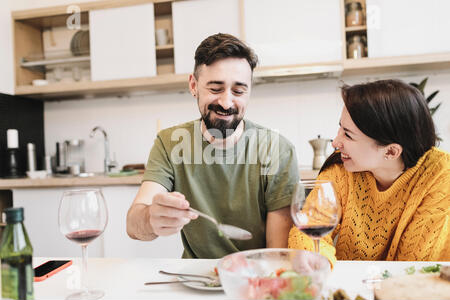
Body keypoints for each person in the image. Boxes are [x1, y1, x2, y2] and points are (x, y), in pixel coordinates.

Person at [126, 33, 299, 259]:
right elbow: (133, 225)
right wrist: (151, 218)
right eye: (215, 89)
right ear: (193, 85)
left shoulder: (277, 149)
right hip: (194, 280)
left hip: (254, 279)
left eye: (238, 91)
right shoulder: (170, 143)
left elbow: (278, 255)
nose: (226, 102)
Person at [289, 79, 450, 265]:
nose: (335, 142)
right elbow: (306, 231)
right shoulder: (341, 169)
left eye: (348, 135)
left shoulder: (440, 173)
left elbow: (413, 265)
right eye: (340, 127)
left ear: (391, 151)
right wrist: (319, 260)